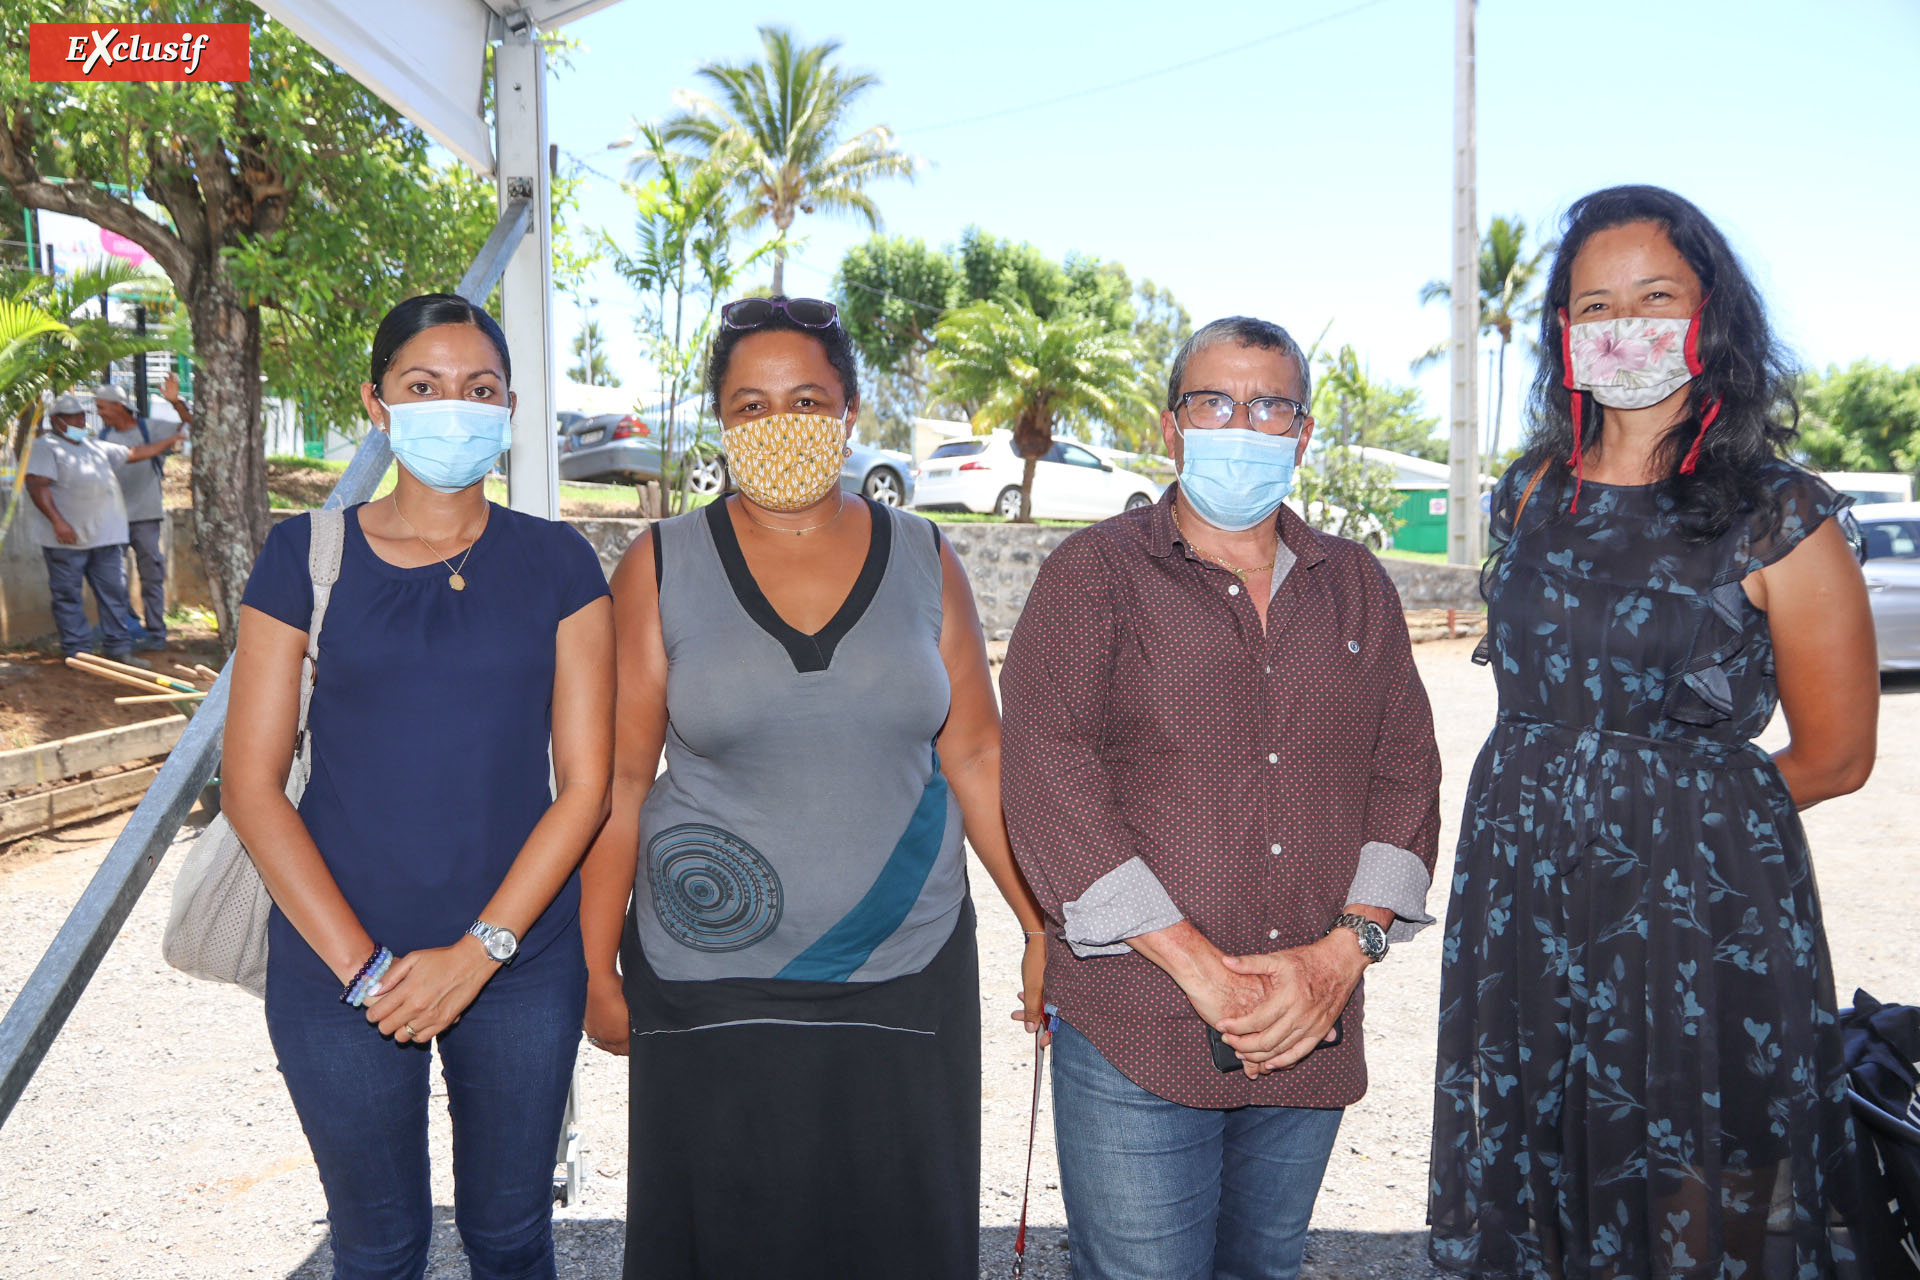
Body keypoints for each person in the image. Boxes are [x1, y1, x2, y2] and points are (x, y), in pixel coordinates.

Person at [1428, 185, 1877, 1278]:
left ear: (1709, 313)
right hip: (1527, 889)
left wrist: (1664, 819)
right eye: (1595, 304)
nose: (1624, 324)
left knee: (1702, 1170)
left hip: (1697, 905)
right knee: (1545, 1152)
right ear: (1564, 333)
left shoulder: (1782, 517)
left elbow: (1837, 754)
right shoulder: (1534, 487)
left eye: (1656, 295)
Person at [576, 295, 1050, 1279]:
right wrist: (591, 967)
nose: (779, 424)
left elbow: (978, 756)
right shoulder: (661, 564)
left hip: (904, 966)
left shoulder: (926, 557)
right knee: (729, 1241)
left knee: (897, 1237)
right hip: (713, 980)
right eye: (750, 405)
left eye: (806, 398)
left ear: (851, 409)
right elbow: (619, 781)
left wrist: (1040, 925)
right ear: (718, 421)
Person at [1000, 315, 1444, 1280]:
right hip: (1137, 1023)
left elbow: (1405, 770)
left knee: (1264, 1267)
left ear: (1303, 432)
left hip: (1308, 1023)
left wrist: (1343, 954)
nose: (1243, 423)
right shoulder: (1095, 576)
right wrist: (1202, 971)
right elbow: (1046, 775)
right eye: (1216, 402)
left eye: (1270, 405)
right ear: (1172, 426)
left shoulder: (1358, 587)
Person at [222, 293, 614, 1280]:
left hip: (521, 959)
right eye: (424, 385)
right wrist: (365, 969)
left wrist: (479, 953)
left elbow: (587, 787)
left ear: (510, 407)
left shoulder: (561, 562)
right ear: (378, 402)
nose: (455, 407)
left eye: (479, 388)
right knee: (379, 1246)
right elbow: (252, 785)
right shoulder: (300, 556)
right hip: (338, 965)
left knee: (514, 1237)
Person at [23, 392, 182, 664]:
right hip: (66, 539)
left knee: (114, 594)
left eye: (82, 416)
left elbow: (133, 453)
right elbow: (36, 485)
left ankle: (118, 649)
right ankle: (78, 653)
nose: (79, 420)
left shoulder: (93, 445)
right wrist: (58, 521)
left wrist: (170, 441)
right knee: (68, 596)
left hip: (105, 537)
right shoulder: (46, 446)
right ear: (56, 421)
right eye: (72, 417)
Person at [94, 375, 194, 649]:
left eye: (102, 407)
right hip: (114, 518)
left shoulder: (150, 429)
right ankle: (128, 627)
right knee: (115, 577)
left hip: (146, 516)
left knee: (151, 573)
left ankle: (156, 632)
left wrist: (176, 402)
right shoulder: (104, 437)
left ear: (119, 406)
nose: (98, 413)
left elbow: (191, 426)